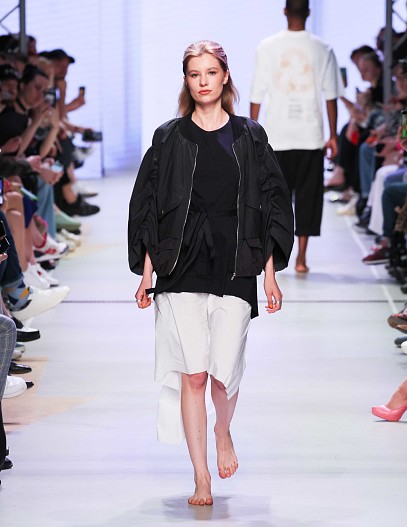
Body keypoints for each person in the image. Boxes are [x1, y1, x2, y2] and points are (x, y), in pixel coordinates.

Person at [128, 40, 294, 506]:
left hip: (236, 259)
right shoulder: (169, 137)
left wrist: (270, 274)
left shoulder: (250, 136)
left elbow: (271, 206)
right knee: (195, 374)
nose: (203, 81)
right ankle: (201, 476)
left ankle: (224, 430)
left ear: (225, 76)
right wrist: (146, 273)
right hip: (180, 261)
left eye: (210, 72)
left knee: (224, 372)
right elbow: (149, 207)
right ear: (187, 80)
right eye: (194, 74)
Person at [250, 0, 343, 273]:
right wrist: (333, 135)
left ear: (285, 11)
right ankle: (301, 258)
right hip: (310, 136)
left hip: (276, 136)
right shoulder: (323, 49)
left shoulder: (267, 46)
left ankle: (271, 256)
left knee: (273, 199)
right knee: (308, 199)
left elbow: (256, 94)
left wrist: (253, 133)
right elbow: (331, 96)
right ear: (309, 12)